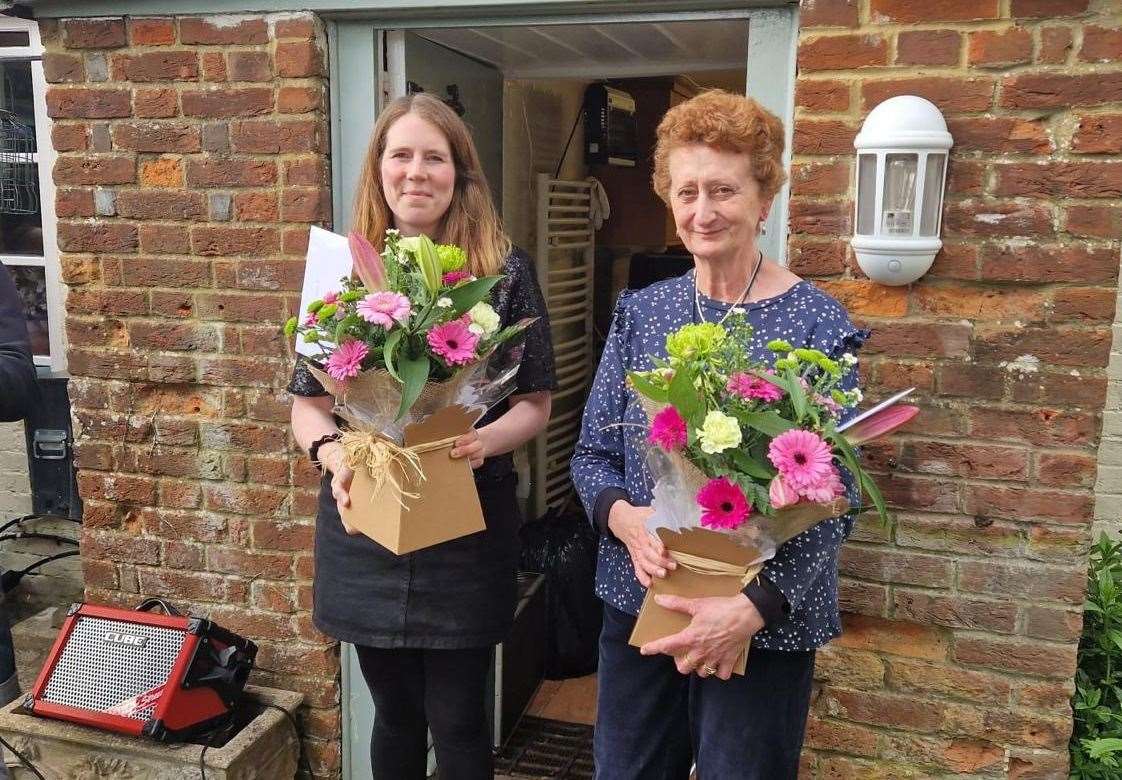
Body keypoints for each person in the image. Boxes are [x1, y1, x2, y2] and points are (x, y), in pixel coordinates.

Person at [570, 90, 868, 779]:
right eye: (687, 190)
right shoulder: (643, 313)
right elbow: (592, 456)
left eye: (724, 190)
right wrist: (626, 519)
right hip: (644, 602)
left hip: (763, 625)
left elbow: (837, 492)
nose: (702, 211)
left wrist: (749, 607)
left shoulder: (820, 325)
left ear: (765, 199)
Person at [288, 93, 555, 780]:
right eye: (400, 155)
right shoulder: (340, 274)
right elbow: (307, 405)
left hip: (465, 520)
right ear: (378, 169)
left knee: (460, 718)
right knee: (396, 714)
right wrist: (332, 449)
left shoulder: (503, 272)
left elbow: (533, 402)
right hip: (364, 521)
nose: (416, 171)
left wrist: (486, 443)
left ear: (460, 173)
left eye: (434, 157)